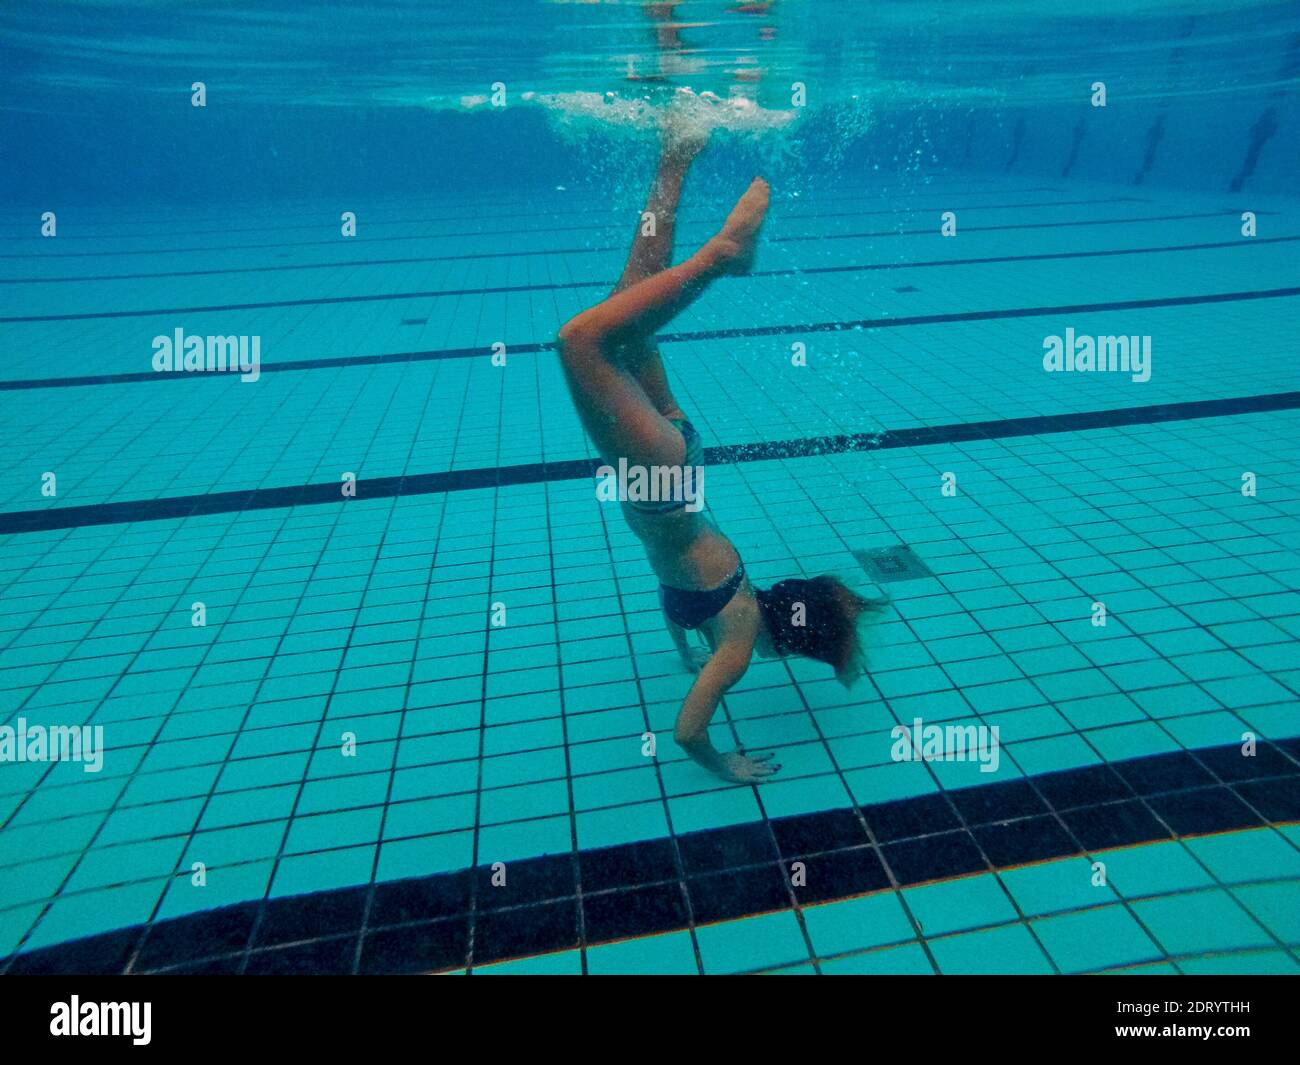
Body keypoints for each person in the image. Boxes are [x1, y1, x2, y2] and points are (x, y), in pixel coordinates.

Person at [556, 122, 886, 784]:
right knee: (578, 343)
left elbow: (674, 605)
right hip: (658, 482)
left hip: (677, 466)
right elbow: (686, 732)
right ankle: (722, 256)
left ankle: (674, 157)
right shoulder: (733, 644)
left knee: (623, 313)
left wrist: (681, 649)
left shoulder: (731, 611)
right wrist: (724, 764)